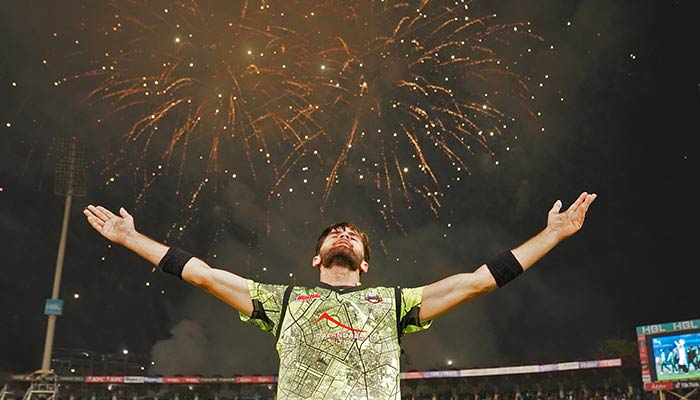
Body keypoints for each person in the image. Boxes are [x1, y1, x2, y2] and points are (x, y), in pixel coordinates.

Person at [83, 191, 597, 399]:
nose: (344, 236)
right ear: (317, 257)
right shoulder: (283, 303)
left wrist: (552, 234)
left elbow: (479, 280)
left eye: (354, 235)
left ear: (365, 263)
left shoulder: (394, 304)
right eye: (335, 233)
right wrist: (131, 239)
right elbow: (203, 275)